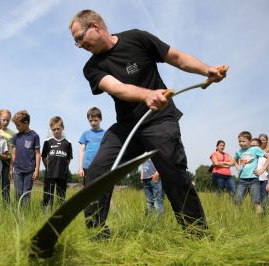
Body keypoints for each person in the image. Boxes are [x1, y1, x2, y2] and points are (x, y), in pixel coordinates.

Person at [69, 9, 227, 236]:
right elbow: (117, 88)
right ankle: (97, 235)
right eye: (76, 42)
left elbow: (177, 57)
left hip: (160, 120)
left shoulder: (136, 38)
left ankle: (198, 235)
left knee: (173, 172)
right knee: (97, 170)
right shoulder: (92, 67)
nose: (80, 45)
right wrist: (146, 95)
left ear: (95, 26)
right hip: (128, 126)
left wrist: (207, 70)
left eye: (79, 38)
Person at [233, 131, 269, 214]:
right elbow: (234, 161)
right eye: (239, 141)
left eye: (243, 141)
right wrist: (237, 167)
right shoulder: (238, 152)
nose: (241, 143)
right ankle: (235, 219)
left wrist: (262, 169)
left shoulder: (255, 149)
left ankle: (260, 221)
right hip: (242, 181)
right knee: (237, 201)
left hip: (254, 180)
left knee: (256, 202)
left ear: (250, 141)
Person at [10, 110, 40, 207]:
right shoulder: (16, 137)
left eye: (18, 125)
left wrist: (37, 169)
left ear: (26, 123)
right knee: (18, 193)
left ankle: (25, 214)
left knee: (26, 194)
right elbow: (13, 153)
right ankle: (18, 213)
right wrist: (11, 168)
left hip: (29, 170)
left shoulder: (34, 136)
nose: (16, 127)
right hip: (17, 170)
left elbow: (37, 154)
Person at [41, 116, 73, 209]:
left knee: (61, 196)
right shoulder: (48, 142)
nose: (56, 131)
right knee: (47, 195)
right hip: (50, 174)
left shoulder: (68, 143)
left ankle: (60, 212)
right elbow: (44, 157)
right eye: (53, 129)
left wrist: (63, 168)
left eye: (58, 129)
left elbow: (68, 158)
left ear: (63, 128)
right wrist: (48, 167)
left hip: (62, 174)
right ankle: (46, 211)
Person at [78, 107, 104, 186]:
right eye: (90, 121)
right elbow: (82, 151)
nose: (93, 123)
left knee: (101, 189)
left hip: (101, 166)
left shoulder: (106, 134)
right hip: (87, 167)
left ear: (100, 119)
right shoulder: (85, 134)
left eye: (95, 120)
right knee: (88, 189)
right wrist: (80, 168)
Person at [0, 109, 15, 205]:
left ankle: (6, 206)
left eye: (7, 120)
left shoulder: (12, 134)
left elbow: (13, 151)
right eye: (3, 119)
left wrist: (11, 167)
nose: (5, 122)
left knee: (6, 185)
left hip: (7, 161)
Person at [250, 138, 269, 206]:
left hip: (264, 181)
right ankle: (256, 215)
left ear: (260, 146)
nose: (253, 147)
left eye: (255, 145)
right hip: (253, 181)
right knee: (255, 201)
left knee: (264, 201)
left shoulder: (265, 156)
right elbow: (242, 167)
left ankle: (263, 215)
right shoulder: (248, 156)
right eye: (251, 146)